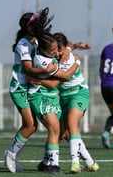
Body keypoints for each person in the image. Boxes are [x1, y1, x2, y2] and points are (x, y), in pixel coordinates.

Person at [35, 33, 99, 173]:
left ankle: (75, 163)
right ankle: (89, 162)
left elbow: (56, 83)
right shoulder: (57, 57)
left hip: (79, 93)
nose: (57, 53)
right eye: (55, 50)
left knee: (71, 123)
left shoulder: (66, 61)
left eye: (59, 50)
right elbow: (68, 44)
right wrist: (73, 47)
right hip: (64, 97)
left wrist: (76, 60)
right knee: (63, 134)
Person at [4, 7, 57, 173]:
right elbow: (29, 69)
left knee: (33, 126)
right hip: (19, 88)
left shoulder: (36, 41)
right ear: (28, 27)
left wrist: (72, 46)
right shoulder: (24, 44)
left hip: (30, 87)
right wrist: (47, 70)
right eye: (35, 23)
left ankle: (16, 155)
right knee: (30, 125)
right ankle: (11, 154)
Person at [28, 32, 80, 175]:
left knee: (61, 132)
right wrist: (77, 62)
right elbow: (61, 79)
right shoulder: (45, 62)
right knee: (54, 127)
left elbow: (66, 46)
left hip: (51, 97)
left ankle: (45, 162)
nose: (56, 52)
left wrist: (72, 47)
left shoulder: (48, 51)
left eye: (57, 48)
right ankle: (54, 165)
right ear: (43, 50)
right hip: (39, 95)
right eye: (52, 50)